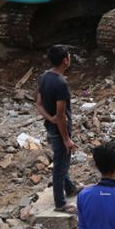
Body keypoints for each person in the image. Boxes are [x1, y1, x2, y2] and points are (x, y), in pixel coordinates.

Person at [36, 45, 78, 212]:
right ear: (65, 60)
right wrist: (67, 138)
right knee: (60, 166)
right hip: (60, 130)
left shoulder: (44, 76)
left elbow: (38, 104)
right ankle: (60, 203)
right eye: (69, 56)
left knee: (61, 160)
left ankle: (71, 189)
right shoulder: (61, 83)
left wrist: (49, 118)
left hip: (51, 127)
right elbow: (61, 115)